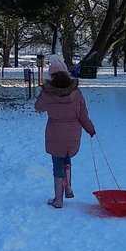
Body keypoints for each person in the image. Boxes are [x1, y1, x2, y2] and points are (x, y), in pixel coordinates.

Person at [35, 55, 96, 208]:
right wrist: (90, 129)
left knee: (57, 164)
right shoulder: (77, 93)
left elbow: (38, 107)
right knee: (67, 159)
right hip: (73, 133)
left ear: (52, 75)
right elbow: (83, 115)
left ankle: (58, 199)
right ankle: (67, 185)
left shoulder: (48, 93)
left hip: (55, 133)